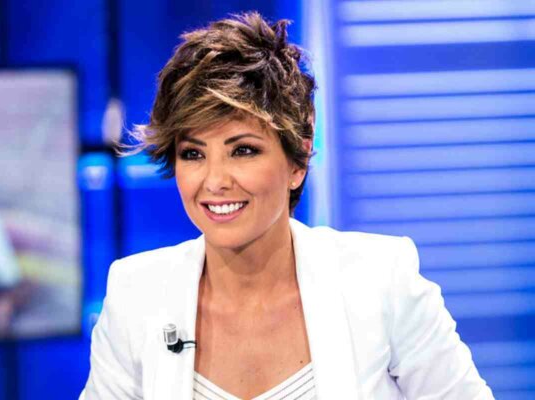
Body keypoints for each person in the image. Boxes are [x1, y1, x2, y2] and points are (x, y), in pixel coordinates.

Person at [80, 12, 494, 400]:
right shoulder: (136, 296)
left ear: (297, 161)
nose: (215, 180)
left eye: (243, 150)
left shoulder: (380, 281)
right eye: (193, 154)